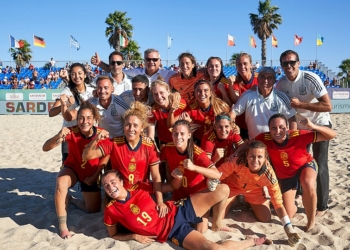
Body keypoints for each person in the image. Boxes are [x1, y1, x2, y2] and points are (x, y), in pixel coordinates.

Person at [102, 170, 270, 249]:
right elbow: (113, 235)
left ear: (122, 182)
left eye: (113, 182)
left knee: (223, 189)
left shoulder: (139, 187)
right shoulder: (111, 210)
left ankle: (217, 224)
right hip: (172, 231)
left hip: (177, 209)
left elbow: (165, 186)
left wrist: (160, 200)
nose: (110, 187)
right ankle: (253, 241)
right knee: (214, 249)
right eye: (106, 185)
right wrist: (134, 236)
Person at [253, 114, 336, 232]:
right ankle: (296, 203)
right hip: (286, 175)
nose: (278, 131)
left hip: (304, 165)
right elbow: (247, 145)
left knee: (308, 183)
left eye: (281, 127)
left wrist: (313, 126)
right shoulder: (264, 137)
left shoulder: (297, 135)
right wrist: (236, 153)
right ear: (269, 129)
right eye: (273, 128)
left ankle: (311, 221)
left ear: (287, 127)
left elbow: (332, 135)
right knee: (289, 213)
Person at [82, 101, 168, 215]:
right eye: (127, 125)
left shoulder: (148, 146)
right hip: (119, 195)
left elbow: (156, 176)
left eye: (135, 125)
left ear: (142, 128)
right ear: (123, 126)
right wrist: (96, 139)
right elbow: (86, 156)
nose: (131, 128)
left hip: (141, 195)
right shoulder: (114, 143)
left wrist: (160, 201)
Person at [276, 50, 333, 216]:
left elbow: (328, 106)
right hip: (300, 128)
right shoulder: (281, 84)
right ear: (281, 66)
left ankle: (322, 206)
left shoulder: (309, 78)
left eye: (292, 62)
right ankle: (300, 193)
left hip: (319, 124)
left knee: (320, 164)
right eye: (285, 63)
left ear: (298, 63)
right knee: (299, 162)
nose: (289, 66)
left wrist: (302, 104)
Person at [42, 102, 108, 239]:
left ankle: (72, 200)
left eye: (88, 118)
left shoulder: (101, 134)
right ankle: (63, 227)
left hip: (91, 172)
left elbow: (106, 156)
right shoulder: (71, 131)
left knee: (93, 209)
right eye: (81, 118)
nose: (85, 121)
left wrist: (96, 176)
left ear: (94, 118)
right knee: (61, 183)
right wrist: (58, 135)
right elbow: (45, 148)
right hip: (73, 169)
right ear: (77, 119)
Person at [219, 141, 301, 247]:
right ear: (247, 156)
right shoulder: (237, 161)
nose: (255, 160)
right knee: (219, 217)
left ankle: (248, 202)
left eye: (259, 157)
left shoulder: (269, 174)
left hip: (253, 191)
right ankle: (235, 200)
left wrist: (288, 228)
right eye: (252, 156)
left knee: (265, 218)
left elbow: (278, 203)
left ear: (265, 158)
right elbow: (218, 174)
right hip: (232, 188)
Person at [161, 119, 224, 233]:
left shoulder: (197, 152)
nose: (178, 137)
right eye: (175, 133)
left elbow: (216, 174)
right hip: (179, 195)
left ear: (189, 135)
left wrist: (194, 167)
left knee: (201, 230)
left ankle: (214, 218)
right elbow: (155, 162)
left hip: (198, 197)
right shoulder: (168, 148)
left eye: (182, 133)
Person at [229, 67, 297, 140]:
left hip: (276, 144)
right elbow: (232, 114)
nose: (265, 80)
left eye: (269, 78)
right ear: (258, 79)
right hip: (254, 144)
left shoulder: (281, 97)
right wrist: (233, 126)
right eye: (262, 77)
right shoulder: (248, 95)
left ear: (274, 80)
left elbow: (292, 119)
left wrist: (291, 139)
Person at [49, 63, 95, 163]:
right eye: (73, 74)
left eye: (79, 73)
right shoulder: (67, 91)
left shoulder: (92, 90)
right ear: (70, 76)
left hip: (88, 132)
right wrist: (64, 104)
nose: (77, 76)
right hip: (70, 133)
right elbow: (51, 112)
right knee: (67, 163)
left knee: (87, 163)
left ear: (85, 74)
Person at [63, 75, 129, 138]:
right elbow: (69, 117)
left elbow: (131, 123)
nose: (102, 91)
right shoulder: (91, 103)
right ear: (96, 89)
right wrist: (64, 105)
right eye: (99, 88)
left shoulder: (120, 104)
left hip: (119, 142)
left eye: (106, 88)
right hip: (102, 142)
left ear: (112, 89)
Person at [170, 79, 230, 144]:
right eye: (199, 91)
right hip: (200, 141)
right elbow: (171, 124)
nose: (202, 93)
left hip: (219, 140)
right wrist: (189, 123)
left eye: (206, 90)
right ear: (195, 94)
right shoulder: (192, 108)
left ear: (211, 93)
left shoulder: (220, 106)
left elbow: (231, 122)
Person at [91, 48, 176, 84]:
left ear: (160, 61)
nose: (151, 62)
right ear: (144, 61)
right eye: (148, 59)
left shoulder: (169, 74)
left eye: (154, 59)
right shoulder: (136, 72)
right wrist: (100, 64)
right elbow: (117, 71)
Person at [226, 53, 258, 140]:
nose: (242, 66)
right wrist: (230, 85)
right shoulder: (236, 81)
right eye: (239, 64)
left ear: (251, 64)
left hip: (257, 124)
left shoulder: (259, 79)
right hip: (241, 125)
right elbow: (236, 99)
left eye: (245, 63)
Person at [149, 76, 187, 148]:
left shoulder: (180, 103)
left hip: (182, 141)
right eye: (155, 94)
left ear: (168, 91)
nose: (159, 97)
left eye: (161, 93)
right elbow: (150, 135)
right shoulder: (153, 110)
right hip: (166, 143)